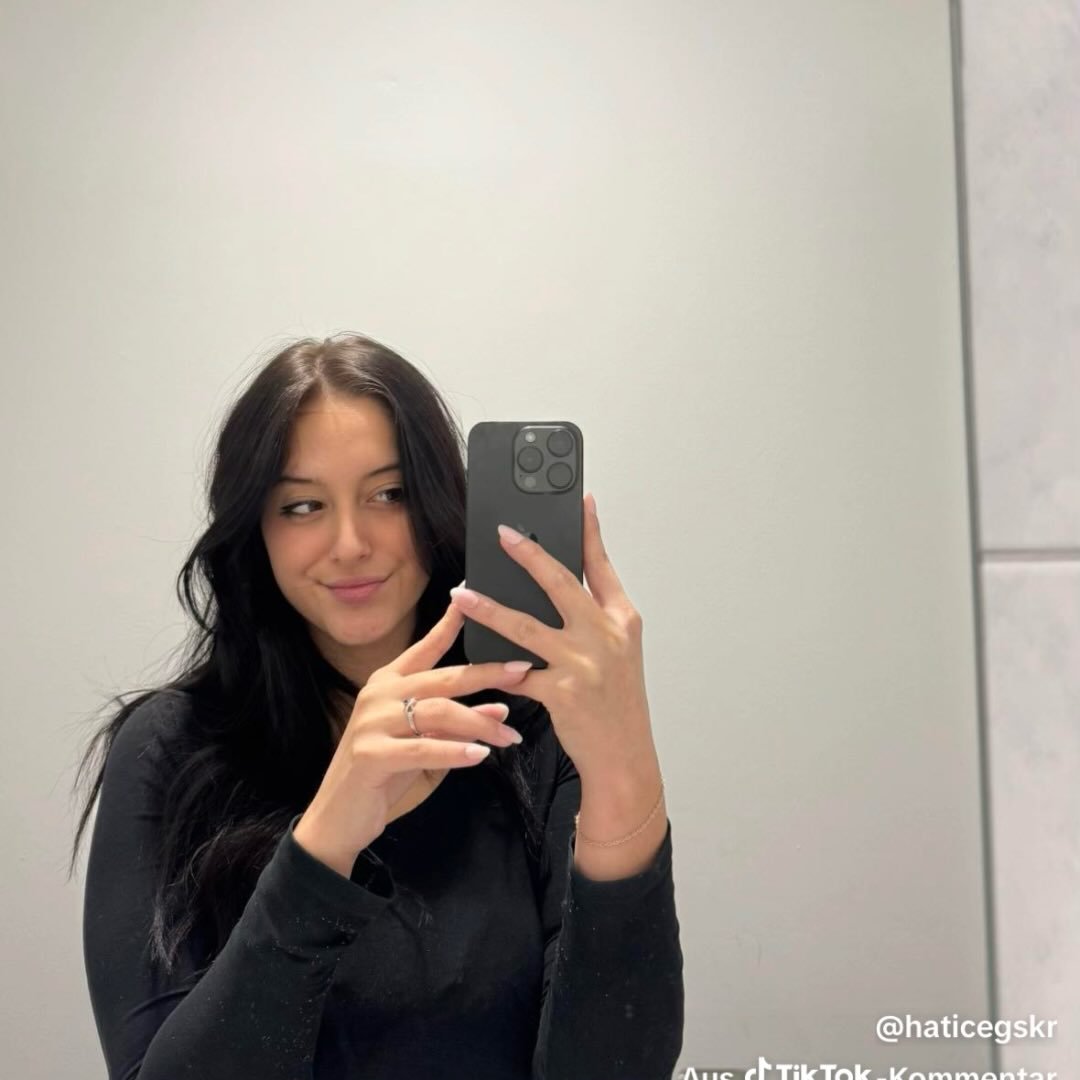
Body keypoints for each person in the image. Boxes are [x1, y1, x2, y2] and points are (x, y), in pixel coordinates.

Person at [70, 332, 684, 1079]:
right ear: (255, 530)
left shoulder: (534, 725)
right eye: (301, 506)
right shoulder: (170, 748)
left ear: (435, 501)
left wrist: (624, 765)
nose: (350, 543)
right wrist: (326, 839)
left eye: (389, 495)